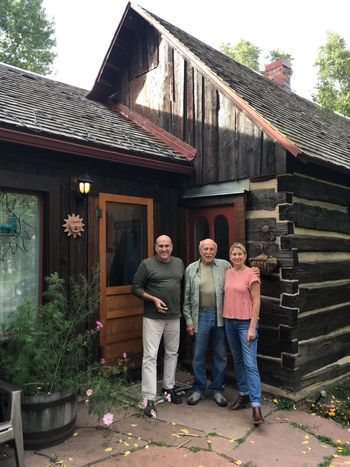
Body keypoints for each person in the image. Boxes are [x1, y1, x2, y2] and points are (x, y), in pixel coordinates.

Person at [132, 235, 184, 417]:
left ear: (172, 247)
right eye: (160, 246)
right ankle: (148, 398)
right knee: (150, 356)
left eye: (167, 246)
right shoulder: (147, 264)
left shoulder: (179, 263)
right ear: (155, 247)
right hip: (153, 318)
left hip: (174, 316)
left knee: (172, 352)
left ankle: (168, 388)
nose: (164, 249)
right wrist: (153, 299)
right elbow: (136, 288)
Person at [183, 238, 231, 407]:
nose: (209, 252)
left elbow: (239, 274)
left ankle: (217, 390)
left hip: (220, 315)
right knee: (198, 355)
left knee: (220, 354)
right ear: (200, 251)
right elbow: (187, 298)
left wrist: (253, 271)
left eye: (211, 249)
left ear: (215, 251)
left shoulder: (225, 266)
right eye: (206, 249)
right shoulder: (191, 269)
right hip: (200, 316)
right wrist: (189, 320)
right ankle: (199, 389)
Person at [223, 242, 264, 425]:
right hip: (228, 321)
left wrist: (252, 327)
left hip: (245, 323)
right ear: (230, 257)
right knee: (237, 360)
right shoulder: (227, 273)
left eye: (240, 254)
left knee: (250, 364)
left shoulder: (251, 274)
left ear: (245, 256)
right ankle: (243, 395)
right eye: (234, 254)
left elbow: (256, 302)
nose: (237, 257)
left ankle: (256, 406)